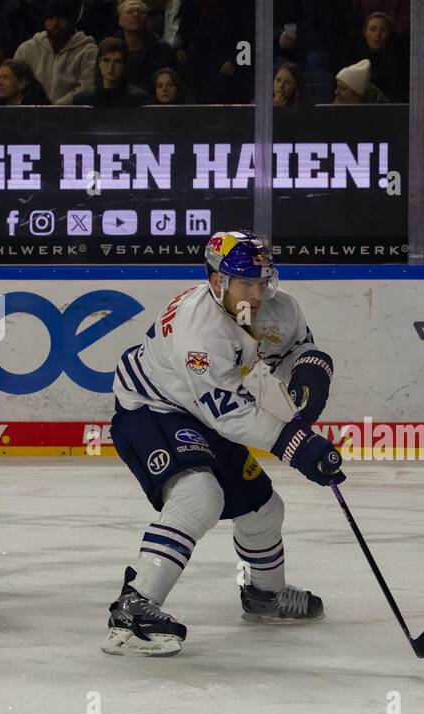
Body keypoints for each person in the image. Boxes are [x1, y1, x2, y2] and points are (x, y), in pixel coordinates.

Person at [104, 230, 344, 655]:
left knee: (263, 510)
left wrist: (310, 370)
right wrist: (298, 446)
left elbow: (292, 350)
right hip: (151, 408)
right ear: (217, 282)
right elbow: (230, 415)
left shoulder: (279, 307)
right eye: (243, 283)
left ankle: (264, 595)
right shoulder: (199, 331)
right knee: (200, 495)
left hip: (202, 411)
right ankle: (135, 604)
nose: (256, 292)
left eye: (261, 280)